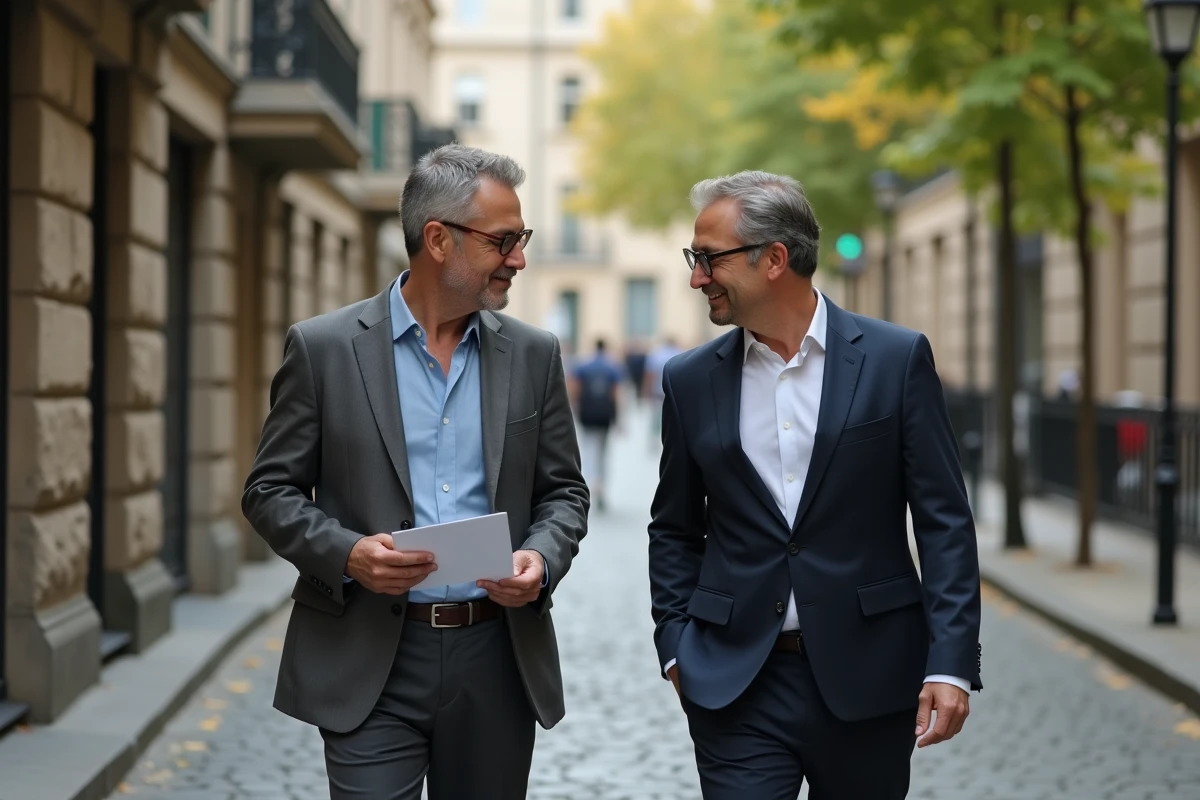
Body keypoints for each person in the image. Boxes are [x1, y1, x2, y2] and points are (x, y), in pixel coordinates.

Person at [242, 144, 589, 800]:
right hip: (369, 656)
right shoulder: (323, 349)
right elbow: (268, 491)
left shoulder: (534, 354)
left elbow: (564, 492)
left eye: (522, 239)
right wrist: (347, 555)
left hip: (496, 657)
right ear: (438, 239)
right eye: (503, 240)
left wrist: (540, 560)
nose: (518, 257)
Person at [647, 170, 982, 799]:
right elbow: (674, 526)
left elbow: (944, 521)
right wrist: (675, 645)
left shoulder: (895, 359)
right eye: (694, 259)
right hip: (735, 681)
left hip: (871, 675)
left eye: (708, 259)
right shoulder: (689, 380)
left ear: (775, 258)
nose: (696, 278)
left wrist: (952, 662)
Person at [569, 338, 624, 511]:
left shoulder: (584, 366)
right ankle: (600, 484)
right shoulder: (612, 367)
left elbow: (574, 389)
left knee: (589, 448)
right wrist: (618, 418)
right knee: (603, 450)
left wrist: (574, 409)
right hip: (604, 415)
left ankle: (591, 483)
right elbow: (615, 394)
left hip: (587, 413)